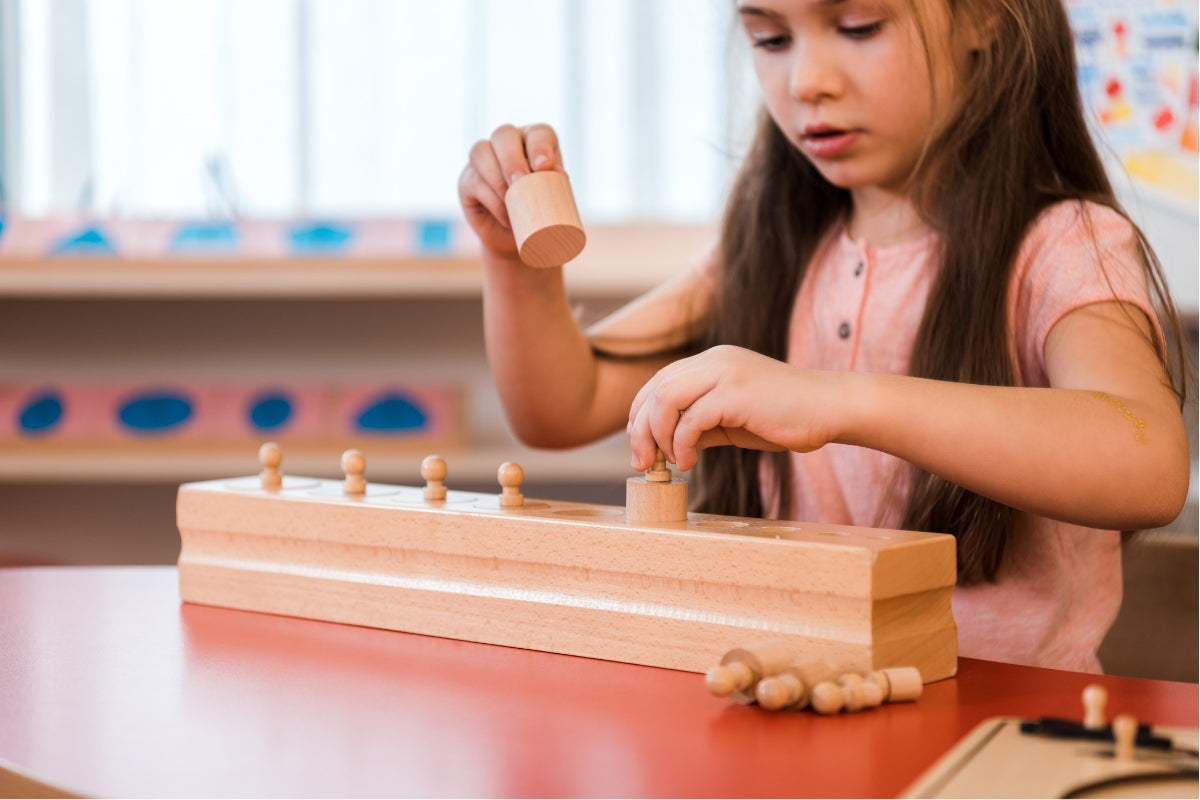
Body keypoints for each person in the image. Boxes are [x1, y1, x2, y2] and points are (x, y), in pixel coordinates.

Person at [456, 0, 1190, 673]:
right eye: (770, 39)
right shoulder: (765, 251)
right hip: (794, 710)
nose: (806, 80)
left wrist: (838, 401)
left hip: (997, 730)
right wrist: (512, 260)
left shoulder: (1063, 247)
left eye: (860, 26)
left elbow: (1148, 460)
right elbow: (563, 405)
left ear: (984, 19)